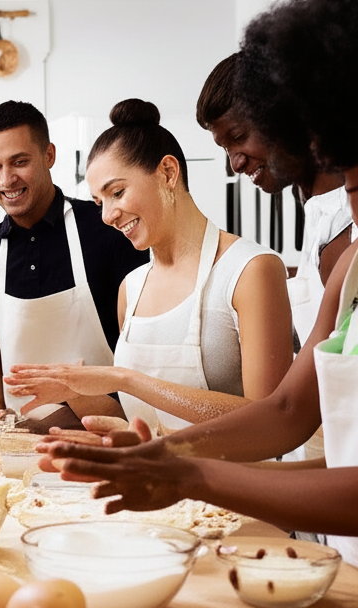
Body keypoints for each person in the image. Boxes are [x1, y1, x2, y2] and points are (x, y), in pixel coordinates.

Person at [36, 0, 358, 567]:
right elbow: (285, 413)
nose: (348, 206)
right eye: (345, 186)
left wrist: (185, 471)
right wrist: (158, 456)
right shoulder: (349, 266)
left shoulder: (250, 268)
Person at [7, 100, 294, 436]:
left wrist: (123, 379)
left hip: (234, 487)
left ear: (168, 173)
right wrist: (78, 393)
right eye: (100, 202)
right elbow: (140, 424)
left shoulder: (249, 270)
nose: (107, 215)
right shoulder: (132, 288)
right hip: (153, 485)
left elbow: (272, 422)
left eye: (117, 192)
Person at [0, 101, 149, 429]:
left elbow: (143, 357)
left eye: (19, 162)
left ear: (49, 155)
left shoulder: (109, 231)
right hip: (19, 445)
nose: (6, 180)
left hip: (107, 436)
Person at [196, 52, 353, 349]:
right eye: (225, 148)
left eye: (239, 136)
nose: (235, 164)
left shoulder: (345, 227)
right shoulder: (312, 202)